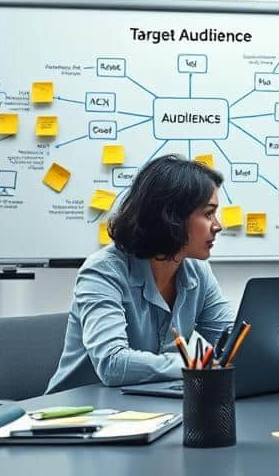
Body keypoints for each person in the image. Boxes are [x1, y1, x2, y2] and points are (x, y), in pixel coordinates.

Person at [46, 155, 234, 393]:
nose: (218, 226)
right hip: (75, 418)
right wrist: (198, 365)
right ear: (172, 217)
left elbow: (233, 340)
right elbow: (113, 364)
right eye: (208, 214)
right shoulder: (103, 271)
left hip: (143, 409)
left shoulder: (196, 270)